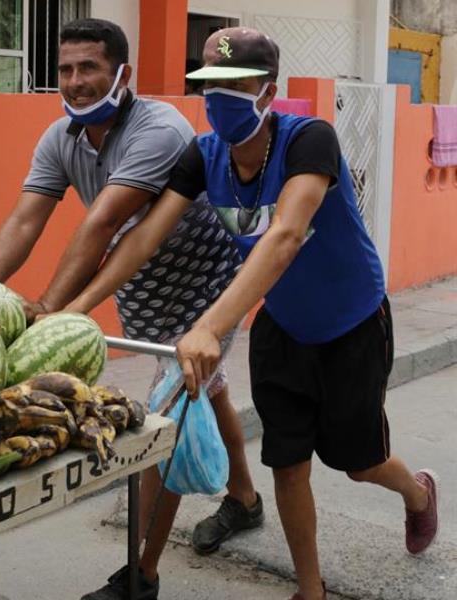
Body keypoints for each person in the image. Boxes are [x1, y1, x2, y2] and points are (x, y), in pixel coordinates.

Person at [63, 27, 440, 600]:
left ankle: (416, 493)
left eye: (236, 85)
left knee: (359, 463)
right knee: (288, 466)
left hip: (352, 325)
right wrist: (73, 309)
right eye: (212, 85)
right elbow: (141, 238)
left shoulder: (308, 140)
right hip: (283, 329)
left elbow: (286, 235)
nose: (221, 99)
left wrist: (209, 326)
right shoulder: (204, 155)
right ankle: (309, 591)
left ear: (268, 91)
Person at [0, 18, 263, 599]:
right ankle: (245, 498)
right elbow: (26, 217)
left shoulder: (157, 127)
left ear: (122, 73)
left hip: (202, 284)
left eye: (90, 68)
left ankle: (142, 574)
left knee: (171, 410)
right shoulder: (60, 138)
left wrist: (58, 309)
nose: (76, 82)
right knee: (209, 390)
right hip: (136, 283)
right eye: (66, 69)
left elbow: (103, 220)